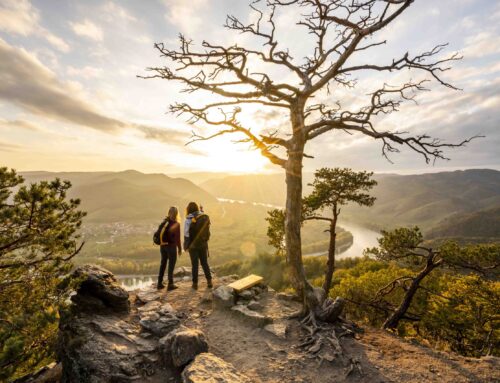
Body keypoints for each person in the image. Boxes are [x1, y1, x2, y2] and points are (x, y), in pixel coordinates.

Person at [184, 202, 212, 290]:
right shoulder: (203, 216)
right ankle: (209, 281)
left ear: (188, 209)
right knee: (204, 263)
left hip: (193, 246)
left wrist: (186, 246)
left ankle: (195, 284)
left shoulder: (188, 219)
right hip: (203, 244)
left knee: (194, 264)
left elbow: (186, 234)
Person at [156, 206, 182, 290]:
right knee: (171, 265)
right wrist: (180, 249)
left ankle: (159, 283)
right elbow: (178, 238)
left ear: (169, 213)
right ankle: (170, 284)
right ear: (176, 214)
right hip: (171, 247)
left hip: (163, 246)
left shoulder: (164, 222)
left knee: (163, 263)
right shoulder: (176, 224)